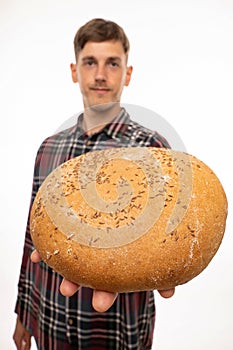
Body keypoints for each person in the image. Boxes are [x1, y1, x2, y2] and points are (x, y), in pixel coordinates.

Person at [13, 18, 175, 350]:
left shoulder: (152, 150)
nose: (100, 74)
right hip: (50, 323)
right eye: (90, 62)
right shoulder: (49, 148)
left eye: (112, 63)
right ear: (75, 71)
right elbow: (34, 239)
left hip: (117, 330)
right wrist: (23, 312)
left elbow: (167, 240)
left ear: (127, 74)